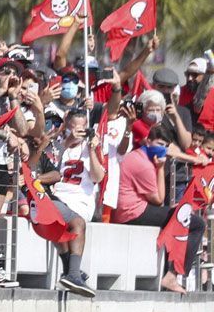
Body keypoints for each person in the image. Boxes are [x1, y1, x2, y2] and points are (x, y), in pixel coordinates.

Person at [113, 131, 202, 293]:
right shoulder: (143, 164)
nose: (162, 149)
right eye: (159, 145)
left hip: (132, 209)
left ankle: (169, 272)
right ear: (148, 141)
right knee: (196, 224)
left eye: (165, 146)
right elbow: (159, 199)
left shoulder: (137, 156)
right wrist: (161, 168)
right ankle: (172, 275)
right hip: (132, 212)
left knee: (179, 216)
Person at [38, 108, 103, 297]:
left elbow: (97, 177)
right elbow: (51, 162)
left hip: (81, 198)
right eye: (74, 128)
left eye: (82, 128)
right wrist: (67, 141)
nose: (78, 132)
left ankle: (72, 271)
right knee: (56, 221)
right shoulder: (58, 145)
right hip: (59, 195)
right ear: (67, 127)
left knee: (70, 223)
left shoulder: (90, 147)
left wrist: (92, 149)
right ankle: (72, 272)